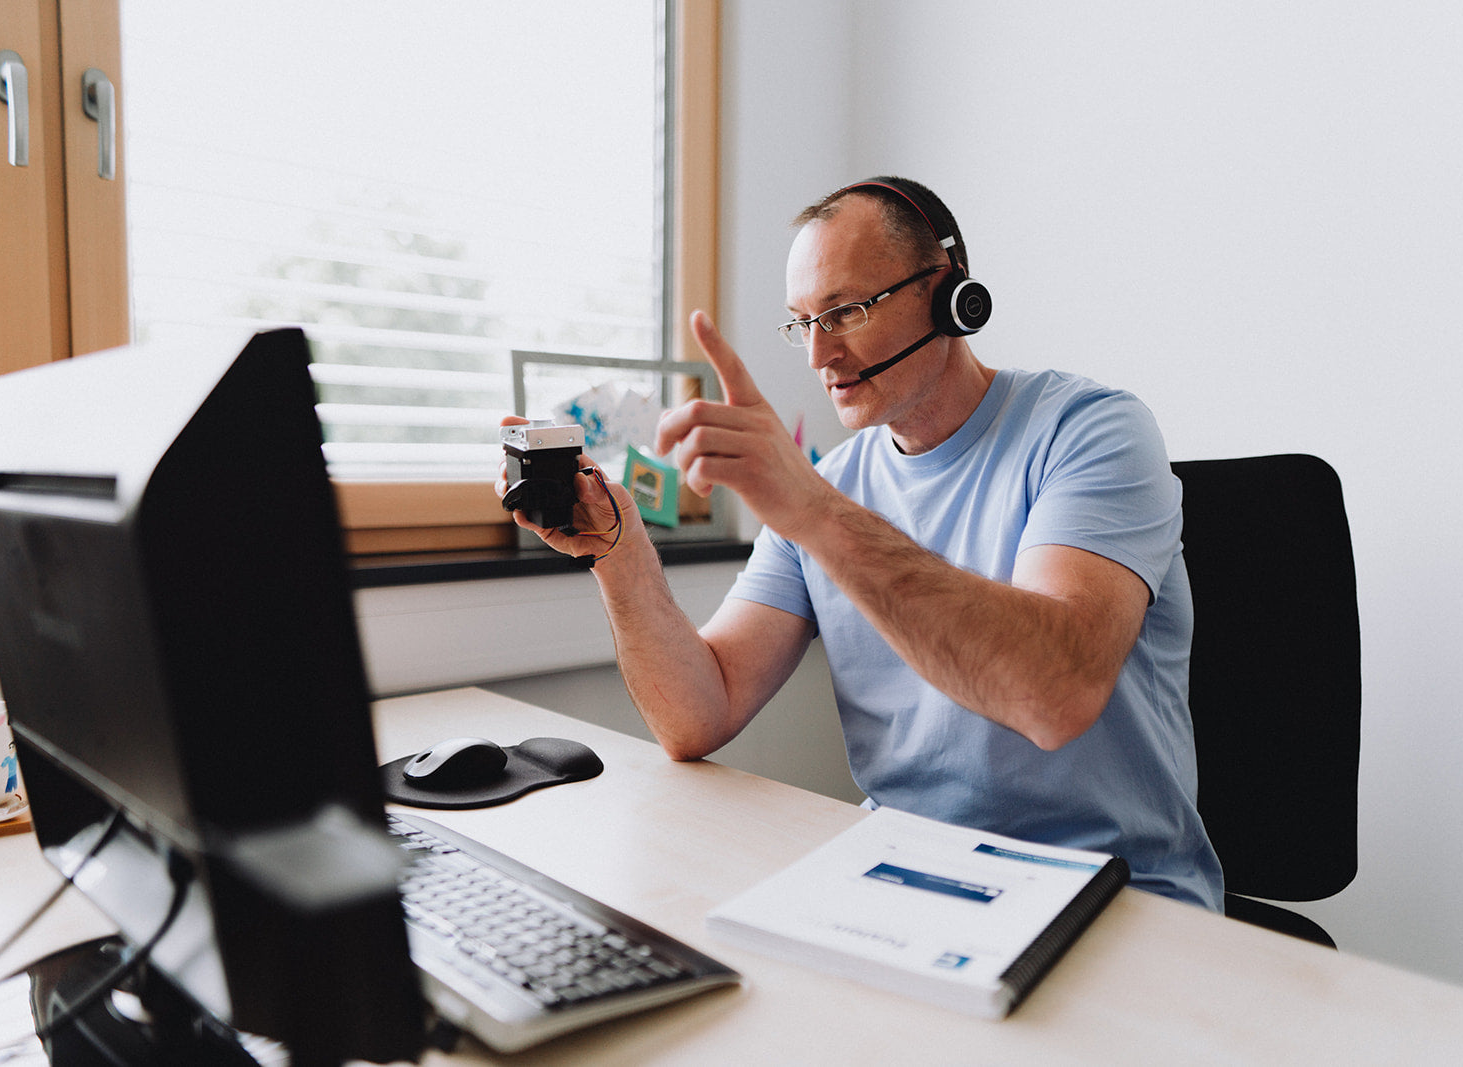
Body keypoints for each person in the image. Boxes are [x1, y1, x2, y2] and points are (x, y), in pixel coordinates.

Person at [500, 176, 1223, 910]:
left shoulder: (1094, 430)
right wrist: (620, 557)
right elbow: (698, 713)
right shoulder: (828, 488)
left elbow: (1053, 696)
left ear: (946, 293)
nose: (818, 356)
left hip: (1116, 895)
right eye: (801, 322)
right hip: (906, 881)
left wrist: (812, 508)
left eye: (844, 312)